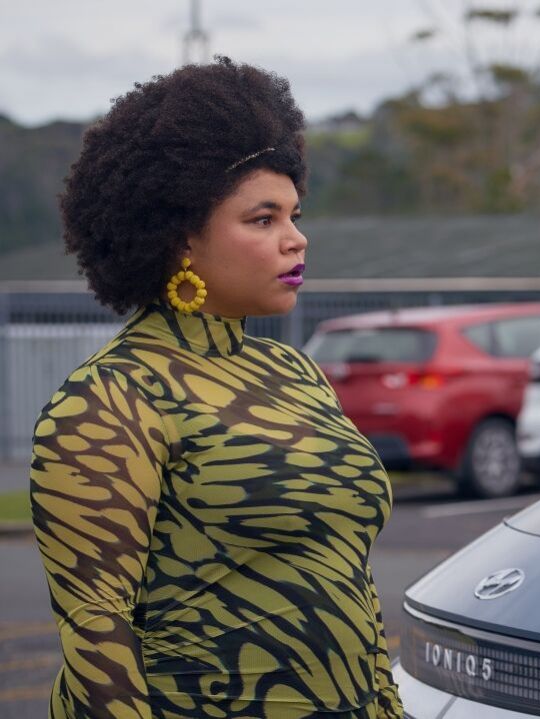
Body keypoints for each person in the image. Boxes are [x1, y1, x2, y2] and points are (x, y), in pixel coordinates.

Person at [30, 58, 403, 718]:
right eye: (263, 219)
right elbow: (95, 633)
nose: (296, 240)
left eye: (294, 215)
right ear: (180, 240)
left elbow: (352, 580)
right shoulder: (112, 397)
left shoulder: (296, 373)